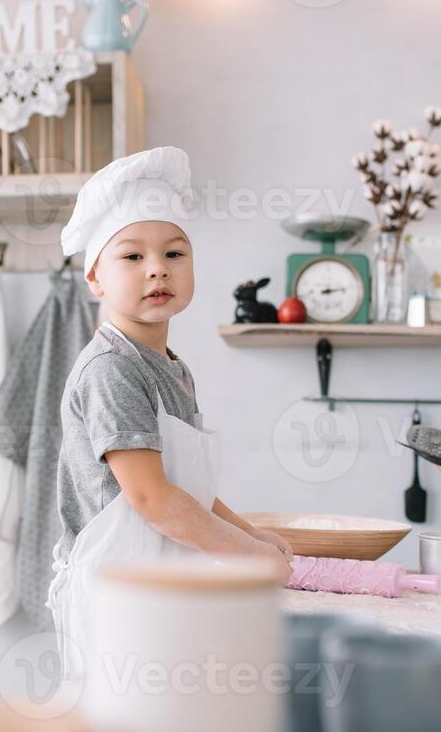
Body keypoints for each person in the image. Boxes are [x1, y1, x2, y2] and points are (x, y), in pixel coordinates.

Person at [46, 146, 293, 678]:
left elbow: (185, 486)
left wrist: (248, 534)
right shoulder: (112, 369)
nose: (157, 268)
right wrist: (247, 555)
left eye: (175, 254)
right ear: (95, 278)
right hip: (119, 597)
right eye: (132, 256)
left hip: (160, 585)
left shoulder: (172, 368)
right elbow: (151, 498)